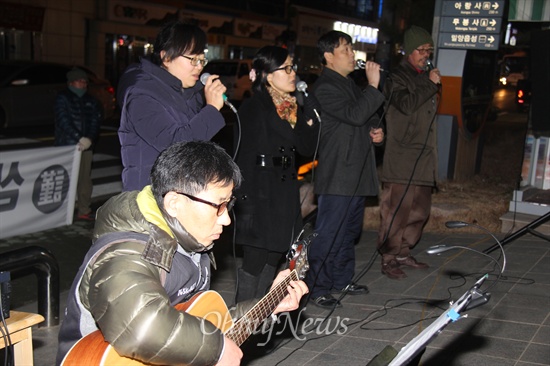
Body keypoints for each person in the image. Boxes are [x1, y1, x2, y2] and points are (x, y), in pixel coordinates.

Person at [56, 141, 308, 365]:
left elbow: (201, 327)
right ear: (174, 203)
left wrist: (270, 304)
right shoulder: (125, 252)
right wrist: (217, 350)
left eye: (228, 204)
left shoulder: (191, 242)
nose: (227, 220)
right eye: (218, 205)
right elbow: (142, 329)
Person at [233, 46, 320, 302]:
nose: (294, 73)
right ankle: (241, 322)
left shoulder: (292, 108)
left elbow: (306, 148)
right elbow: (242, 156)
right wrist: (244, 205)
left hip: (283, 194)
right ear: (269, 75)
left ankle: (260, 319)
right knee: (255, 260)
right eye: (287, 68)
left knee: (275, 256)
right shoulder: (254, 107)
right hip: (259, 194)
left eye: (294, 67)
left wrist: (310, 116)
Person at [306, 30, 385, 309]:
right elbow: (354, 114)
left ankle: (341, 278)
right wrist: (373, 87)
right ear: (329, 56)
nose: (353, 54)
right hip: (339, 170)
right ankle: (317, 286)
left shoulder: (349, 83)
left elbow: (367, 114)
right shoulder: (325, 87)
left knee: (349, 231)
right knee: (330, 232)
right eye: (346, 49)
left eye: (352, 49)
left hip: (357, 170)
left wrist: (377, 130)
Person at [117, 21, 227, 191]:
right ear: (166, 57)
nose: (199, 67)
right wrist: (211, 109)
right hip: (149, 198)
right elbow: (176, 145)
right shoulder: (141, 94)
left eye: (201, 60)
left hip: (181, 194)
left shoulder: (189, 93)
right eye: (192, 59)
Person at [377, 25, 441, 279]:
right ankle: (389, 257)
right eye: (421, 50)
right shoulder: (397, 77)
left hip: (424, 159)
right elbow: (405, 105)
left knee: (419, 211)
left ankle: (404, 251)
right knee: (396, 211)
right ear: (408, 51)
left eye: (428, 50)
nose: (425, 54)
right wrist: (430, 84)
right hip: (402, 157)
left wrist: (429, 83)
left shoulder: (425, 76)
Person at [54, 67, 102, 221]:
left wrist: (89, 139)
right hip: (67, 145)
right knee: (66, 179)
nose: (84, 84)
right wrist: (78, 138)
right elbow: (63, 121)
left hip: (86, 146)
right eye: (81, 81)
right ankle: (61, 212)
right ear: (72, 82)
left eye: (85, 81)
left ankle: (84, 209)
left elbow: (95, 121)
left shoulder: (91, 100)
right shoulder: (62, 98)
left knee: (84, 179)